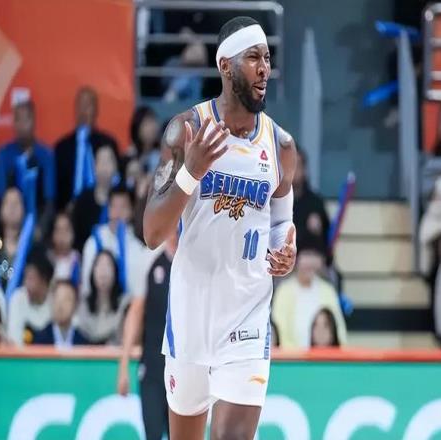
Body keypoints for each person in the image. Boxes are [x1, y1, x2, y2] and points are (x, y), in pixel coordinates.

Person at [142, 17, 297, 440]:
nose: (264, 68)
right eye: (254, 58)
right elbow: (152, 232)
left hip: (247, 317)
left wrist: (285, 250)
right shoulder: (186, 130)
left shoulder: (281, 146)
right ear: (225, 65)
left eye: (267, 58)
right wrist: (190, 172)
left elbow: (282, 224)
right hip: (191, 316)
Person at [118, 232, 178, 440]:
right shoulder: (149, 258)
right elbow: (135, 312)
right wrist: (124, 366)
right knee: (152, 433)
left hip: (183, 366)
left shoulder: (193, 256)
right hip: (153, 366)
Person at [81, 185, 159, 299]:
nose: (118, 213)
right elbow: (86, 287)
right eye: (114, 207)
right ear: (108, 210)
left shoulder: (137, 247)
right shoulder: (92, 243)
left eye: (123, 207)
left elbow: (140, 290)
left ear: (131, 211)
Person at [272, 235, 347, 349]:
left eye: (314, 255)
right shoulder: (284, 291)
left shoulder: (328, 290)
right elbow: (279, 332)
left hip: (323, 356)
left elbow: (339, 330)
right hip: (291, 357)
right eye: (306, 255)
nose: (310, 261)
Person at [0, 101, 55, 227]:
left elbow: (49, 202)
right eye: (18, 120)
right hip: (7, 225)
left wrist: (39, 230)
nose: (22, 125)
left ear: (34, 122)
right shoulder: (4, 154)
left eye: (26, 119)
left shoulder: (46, 155)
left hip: (37, 225)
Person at [54, 86, 119, 210]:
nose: (83, 111)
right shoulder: (62, 148)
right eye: (80, 105)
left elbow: (116, 180)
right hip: (69, 209)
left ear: (96, 110)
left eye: (88, 105)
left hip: (102, 205)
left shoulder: (108, 143)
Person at [72, 144, 119, 252]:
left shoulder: (122, 196)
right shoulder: (83, 200)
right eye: (101, 161)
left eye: (108, 161)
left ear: (115, 166)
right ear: (94, 166)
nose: (105, 166)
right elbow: (77, 237)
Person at [77, 250, 128, 344]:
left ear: (115, 272)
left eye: (108, 266)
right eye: (99, 265)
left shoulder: (125, 304)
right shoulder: (83, 304)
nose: (103, 271)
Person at [7, 249, 54, 345]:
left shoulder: (55, 300)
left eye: (31, 279)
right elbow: (14, 340)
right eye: (26, 278)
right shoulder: (18, 298)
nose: (26, 283)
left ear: (44, 280)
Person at [293, 148, 330, 252]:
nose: (293, 170)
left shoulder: (315, 202)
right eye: (290, 165)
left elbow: (327, 238)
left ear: (304, 170)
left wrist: (318, 228)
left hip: (309, 255)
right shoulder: (274, 201)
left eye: (297, 166)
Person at [33, 280, 88, 347]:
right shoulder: (39, 339)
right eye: (57, 298)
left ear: (75, 305)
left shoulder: (83, 342)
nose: (60, 305)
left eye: (66, 299)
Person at [0, 187, 25, 290]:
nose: (12, 207)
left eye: (16, 203)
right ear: (0, 211)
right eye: (8, 202)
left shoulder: (30, 247)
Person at [48, 212, 80, 283]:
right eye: (58, 230)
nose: (62, 234)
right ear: (52, 234)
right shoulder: (47, 258)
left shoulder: (78, 259)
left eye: (66, 229)